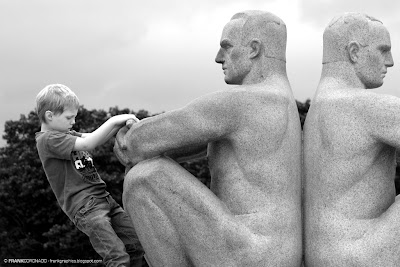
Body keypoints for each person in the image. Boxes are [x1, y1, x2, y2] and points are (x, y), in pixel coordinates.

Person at [114, 11, 302, 267]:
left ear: (254, 49)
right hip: (273, 252)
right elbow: (181, 143)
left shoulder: (248, 101)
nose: (218, 57)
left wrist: (127, 133)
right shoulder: (282, 102)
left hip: (251, 252)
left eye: (226, 47)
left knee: (144, 178)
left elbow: (134, 144)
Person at [303, 13, 399, 266]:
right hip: (363, 253)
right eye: (383, 50)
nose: (390, 62)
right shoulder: (366, 106)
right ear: (354, 52)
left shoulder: (318, 110)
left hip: (324, 255)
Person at [35, 84, 144, 267]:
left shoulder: (65, 134)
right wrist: (115, 119)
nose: (73, 122)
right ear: (50, 115)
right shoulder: (48, 140)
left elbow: (93, 137)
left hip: (104, 199)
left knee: (135, 244)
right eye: (69, 117)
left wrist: (119, 125)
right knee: (117, 257)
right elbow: (89, 144)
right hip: (86, 207)